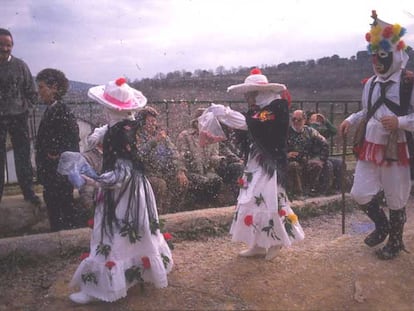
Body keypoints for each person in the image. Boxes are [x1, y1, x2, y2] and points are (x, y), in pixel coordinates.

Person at [68, 77, 173, 304]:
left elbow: (122, 171)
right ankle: (138, 274)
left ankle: (101, 287)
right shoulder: (125, 125)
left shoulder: (119, 132)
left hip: (123, 191)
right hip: (136, 189)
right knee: (136, 229)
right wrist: (102, 132)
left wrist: (96, 180)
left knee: (109, 233)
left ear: (110, 107)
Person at [206, 68, 304, 260]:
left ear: (260, 92)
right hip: (256, 162)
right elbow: (249, 125)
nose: (247, 98)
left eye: (250, 94)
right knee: (252, 198)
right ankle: (258, 244)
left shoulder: (277, 108)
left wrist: (225, 113)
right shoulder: (259, 110)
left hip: (271, 163)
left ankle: (276, 240)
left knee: (270, 199)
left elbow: (251, 123)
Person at [339, 11, 414, 260]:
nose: (378, 62)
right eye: (375, 57)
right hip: (370, 147)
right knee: (359, 192)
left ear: (394, 55)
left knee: (396, 196)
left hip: (398, 148)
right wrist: (350, 120)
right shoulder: (370, 83)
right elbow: (367, 110)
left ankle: (395, 240)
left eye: (383, 56)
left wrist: (400, 121)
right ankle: (381, 226)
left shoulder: (408, 84)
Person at [35, 68, 80, 231]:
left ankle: (66, 242)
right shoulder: (53, 109)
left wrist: (58, 154)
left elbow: (72, 141)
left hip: (58, 175)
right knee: (57, 208)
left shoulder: (62, 111)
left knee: (62, 211)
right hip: (54, 175)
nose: (39, 92)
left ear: (54, 87)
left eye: (41, 87)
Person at [0, 28, 40, 206]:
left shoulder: (20, 66)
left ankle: (28, 192)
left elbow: (32, 93)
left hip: (19, 118)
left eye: (8, 45)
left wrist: (27, 110)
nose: (5, 48)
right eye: (1, 45)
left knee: (22, 157)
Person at [135, 106, 188, 214]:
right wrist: (154, 141)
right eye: (150, 121)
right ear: (142, 122)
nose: (154, 124)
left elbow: (174, 153)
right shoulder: (137, 136)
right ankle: (157, 215)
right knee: (160, 185)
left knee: (182, 181)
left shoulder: (162, 136)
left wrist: (180, 170)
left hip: (165, 171)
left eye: (155, 121)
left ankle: (174, 213)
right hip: (147, 173)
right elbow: (139, 155)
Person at [176, 108, 224, 208]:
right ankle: (198, 206)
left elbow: (213, 156)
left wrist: (220, 159)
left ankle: (210, 206)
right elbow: (180, 156)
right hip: (191, 171)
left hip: (207, 171)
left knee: (216, 180)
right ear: (196, 122)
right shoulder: (185, 136)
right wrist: (181, 171)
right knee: (203, 182)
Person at [287, 110, 331, 197]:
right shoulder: (286, 132)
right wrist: (286, 154)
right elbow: (277, 148)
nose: (296, 122)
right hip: (290, 160)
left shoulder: (310, 131)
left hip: (306, 158)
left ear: (304, 120)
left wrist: (320, 159)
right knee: (294, 165)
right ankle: (298, 194)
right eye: (294, 119)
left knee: (317, 164)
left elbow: (324, 144)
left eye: (299, 120)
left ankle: (310, 190)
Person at [308, 112, 346, 193]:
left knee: (340, 163)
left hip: (323, 156)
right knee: (328, 165)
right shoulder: (308, 131)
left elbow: (334, 131)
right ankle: (323, 190)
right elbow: (313, 130)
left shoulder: (321, 132)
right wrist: (314, 123)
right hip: (313, 156)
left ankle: (337, 188)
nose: (317, 121)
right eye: (313, 119)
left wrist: (325, 121)